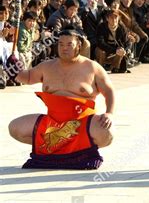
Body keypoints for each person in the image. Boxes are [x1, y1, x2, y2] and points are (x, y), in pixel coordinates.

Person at [7, 29, 114, 169]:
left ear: (78, 46)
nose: (64, 48)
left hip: (81, 122)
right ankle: (58, 150)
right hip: (52, 123)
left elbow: (109, 91)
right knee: (15, 128)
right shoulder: (47, 66)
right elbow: (26, 77)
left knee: (107, 133)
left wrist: (109, 113)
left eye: (69, 44)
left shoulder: (92, 67)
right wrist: (13, 68)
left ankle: (75, 149)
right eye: (60, 44)